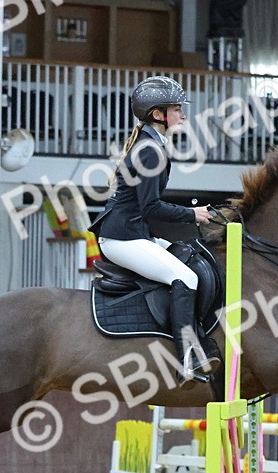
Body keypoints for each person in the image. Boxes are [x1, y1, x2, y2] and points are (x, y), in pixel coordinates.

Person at [89, 76, 218, 388]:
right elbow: (151, 207)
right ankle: (186, 358)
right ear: (159, 115)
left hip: (134, 232)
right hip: (123, 239)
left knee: (191, 257)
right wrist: (193, 214)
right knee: (186, 278)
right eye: (177, 109)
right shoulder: (150, 150)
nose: (183, 115)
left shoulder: (152, 144)